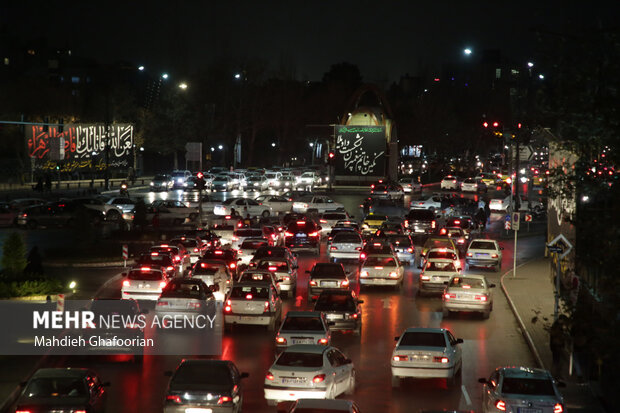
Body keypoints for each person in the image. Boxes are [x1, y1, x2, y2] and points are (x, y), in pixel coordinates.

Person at [550, 315, 569, 379]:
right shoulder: (557, 326)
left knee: (560, 361)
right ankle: (554, 375)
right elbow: (554, 335)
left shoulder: (559, 326)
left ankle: (557, 374)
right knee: (556, 361)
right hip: (556, 346)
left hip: (559, 346)